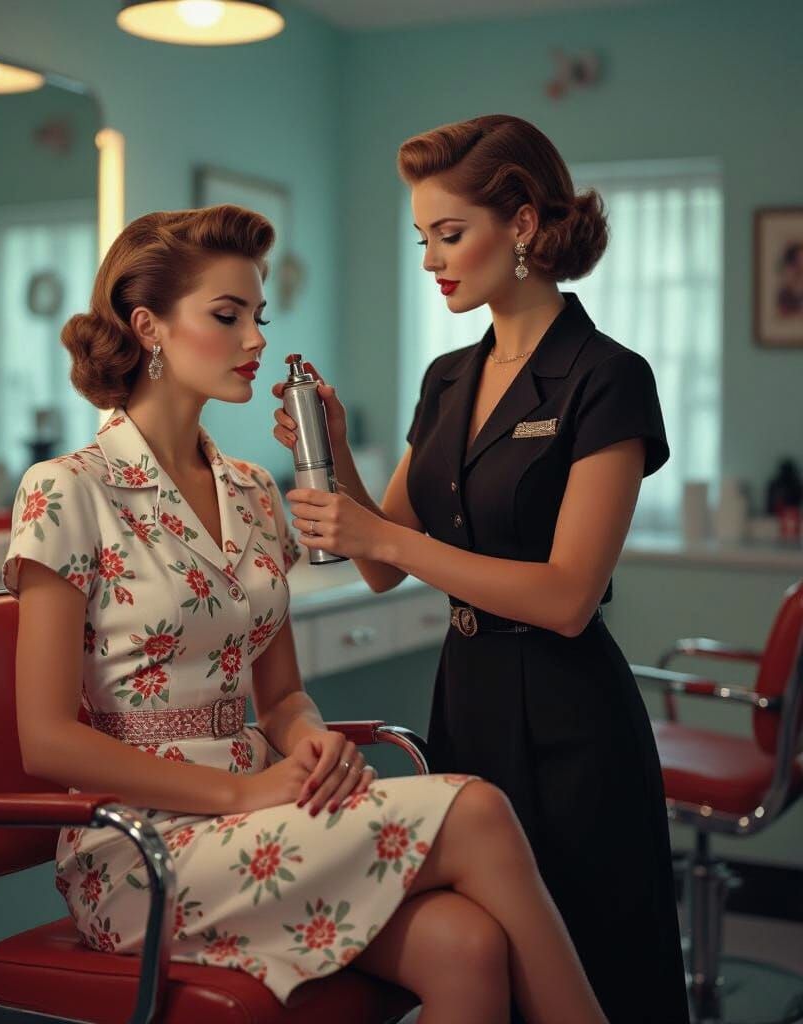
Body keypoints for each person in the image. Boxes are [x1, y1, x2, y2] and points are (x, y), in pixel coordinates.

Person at [4, 203, 609, 1024]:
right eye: (228, 316)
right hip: (140, 848)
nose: (256, 339)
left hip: (264, 808)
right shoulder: (66, 490)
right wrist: (241, 792)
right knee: (478, 810)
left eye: (259, 315)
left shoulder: (255, 490)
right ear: (148, 327)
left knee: (468, 947)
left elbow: (282, 696)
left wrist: (310, 741)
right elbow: (45, 740)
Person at [273, 115, 690, 1024]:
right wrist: (332, 452)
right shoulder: (446, 379)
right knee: (487, 967)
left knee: (591, 972)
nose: (431, 259)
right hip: (465, 698)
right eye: (421, 237)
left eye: (450, 234)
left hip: (571, 719)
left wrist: (386, 540)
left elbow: (569, 596)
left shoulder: (607, 378)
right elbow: (381, 562)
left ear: (524, 224)